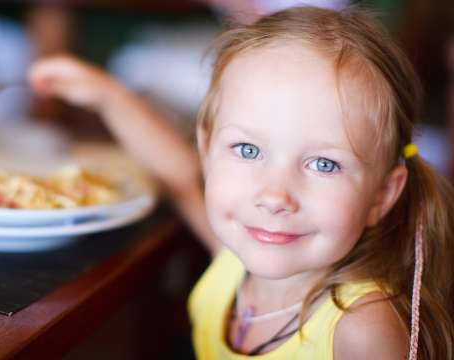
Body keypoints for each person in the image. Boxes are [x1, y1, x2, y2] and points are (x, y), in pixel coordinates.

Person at [28, 6, 454, 359]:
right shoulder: (231, 261)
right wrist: (108, 96)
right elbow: (178, 174)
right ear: (208, 149)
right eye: (248, 150)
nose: (274, 196)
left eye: (324, 163)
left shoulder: (364, 330)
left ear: (382, 195)